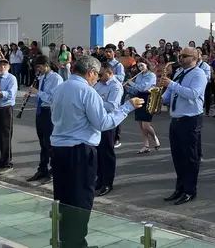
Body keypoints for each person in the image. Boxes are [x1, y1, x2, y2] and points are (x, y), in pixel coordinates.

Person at [49, 56, 144, 248]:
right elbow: (103, 123)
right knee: (80, 199)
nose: (97, 79)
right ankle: (76, 242)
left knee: (63, 198)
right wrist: (127, 107)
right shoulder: (87, 91)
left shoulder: (60, 88)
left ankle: (65, 239)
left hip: (59, 148)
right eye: (96, 75)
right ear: (90, 72)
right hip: (79, 150)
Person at [159, 46, 207, 205]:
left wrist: (171, 84)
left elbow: (193, 94)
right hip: (176, 118)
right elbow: (172, 92)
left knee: (190, 157)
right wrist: (161, 97)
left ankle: (190, 190)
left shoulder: (199, 74)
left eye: (184, 56)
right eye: (180, 56)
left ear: (194, 58)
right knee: (178, 156)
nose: (180, 59)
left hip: (191, 119)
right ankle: (179, 188)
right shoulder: (180, 72)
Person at [26, 56, 63, 183]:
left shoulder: (56, 78)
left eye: (40, 66)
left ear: (47, 65)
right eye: (37, 67)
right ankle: (42, 169)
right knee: (42, 143)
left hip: (49, 113)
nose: (38, 69)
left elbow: (53, 98)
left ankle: (54, 170)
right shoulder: (42, 78)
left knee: (50, 143)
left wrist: (38, 92)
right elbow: (40, 97)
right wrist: (31, 96)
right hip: (40, 111)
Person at [94, 64, 123, 196]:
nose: (98, 78)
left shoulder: (115, 86)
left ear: (109, 73)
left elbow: (111, 106)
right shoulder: (99, 84)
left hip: (109, 123)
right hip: (97, 121)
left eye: (101, 75)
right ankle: (99, 179)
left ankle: (107, 183)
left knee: (107, 153)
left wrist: (96, 102)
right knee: (98, 153)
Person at [125, 58, 159, 154]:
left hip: (148, 99)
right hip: (139, 98)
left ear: (146, 65)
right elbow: (136, 91)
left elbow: (143, 88)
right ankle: (146, 145)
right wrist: (127, 87)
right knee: (140, 125)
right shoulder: (139, 76)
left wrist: (131, 82)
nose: (140, 68)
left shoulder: (151, 75)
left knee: (146, 125)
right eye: (138, 66)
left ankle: (155, 138)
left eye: (142, 66)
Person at [103, 44, 126, 148]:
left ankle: (117, 137)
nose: (107, 53)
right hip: (104, 89)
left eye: (110, 51)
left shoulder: (118, 65)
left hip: (115, 90)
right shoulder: (103, 63)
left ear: (114, 52)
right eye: (106, 51)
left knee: (115, 111)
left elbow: (121, 77)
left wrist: (109, 74)